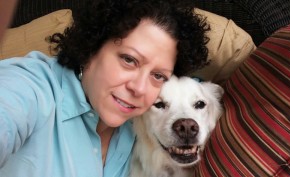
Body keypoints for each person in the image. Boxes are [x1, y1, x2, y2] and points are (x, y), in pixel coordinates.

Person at [0, 0, 210, 176]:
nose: (139, 88)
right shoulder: (30, 87)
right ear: (92, 47)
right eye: (129, 60)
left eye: (158, 75)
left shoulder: (141, 122)